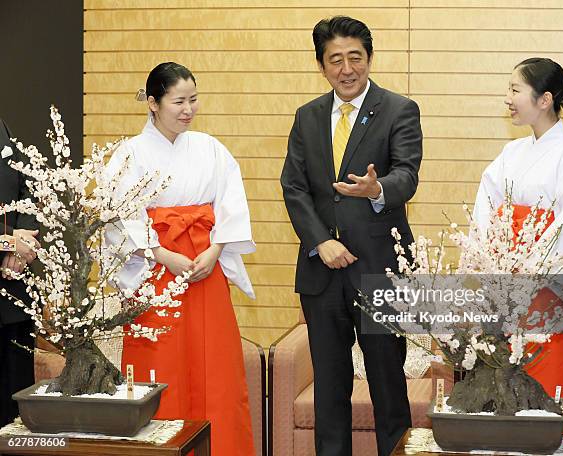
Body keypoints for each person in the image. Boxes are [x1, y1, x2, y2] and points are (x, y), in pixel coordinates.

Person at [281, 16, 422, 456]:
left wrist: (377, 189)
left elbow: (407, 175)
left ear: (369, 58)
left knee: (387, 387)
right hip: (322, 274)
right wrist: (320, 241)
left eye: (355, 58)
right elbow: (294, 186)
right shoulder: (308, 117)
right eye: (335, 60)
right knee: (331, 390)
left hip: (381, 271)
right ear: (322, 65)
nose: (347, 69)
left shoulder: (399, 109)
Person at [104, 62, 255, 455]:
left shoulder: (210, 148)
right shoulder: (129, 154)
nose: (188, 109)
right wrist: (160, 253)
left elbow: (230, 205)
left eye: (193, 100)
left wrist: (216, 249)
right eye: (178, 101)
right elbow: (121, 215)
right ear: (153, 103)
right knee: (161, 364)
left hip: (205, 267)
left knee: (216, 366)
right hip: (155, 271)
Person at [473, 57, 563, 435]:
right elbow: (485, 212)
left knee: (547, 391)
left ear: (544, 99)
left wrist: (530, 275)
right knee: (503, 392)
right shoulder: (511, 154)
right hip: (506, 288)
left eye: (515, 89)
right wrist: (492, 267)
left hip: (549, 297)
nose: (507, 97)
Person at [0, 118, 39, 426]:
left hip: (13, 289)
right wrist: (6, 242)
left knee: (17, 409)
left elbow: (25, 182)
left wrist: (22, 239)